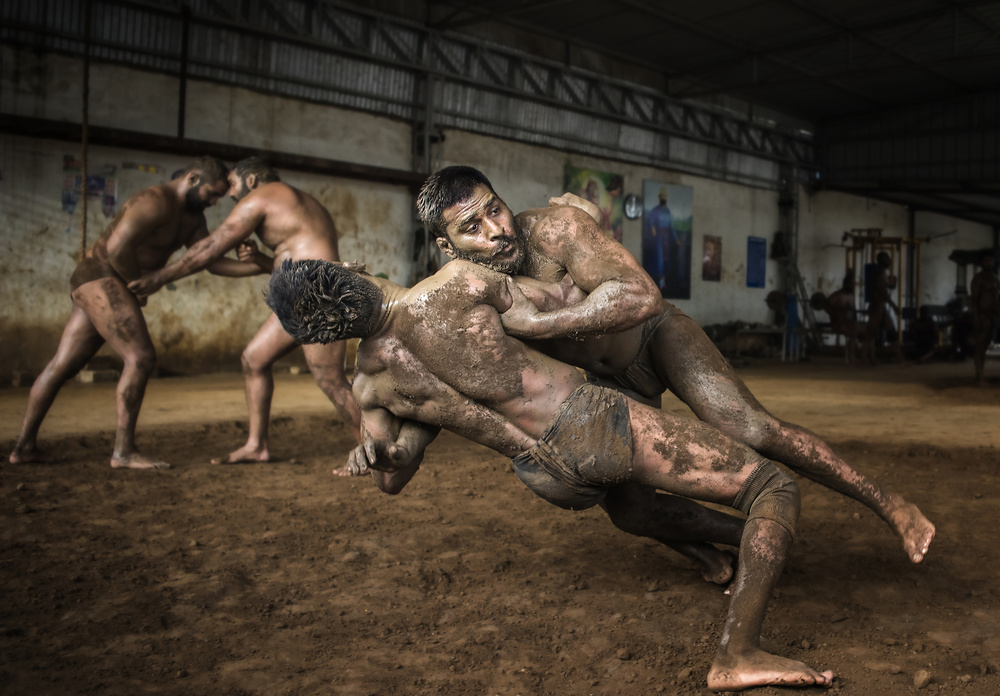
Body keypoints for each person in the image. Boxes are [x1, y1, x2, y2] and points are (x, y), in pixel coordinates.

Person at [267, 258, 835, 692]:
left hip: (542, 476)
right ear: (351, 269)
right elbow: (565, 312)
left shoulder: (370, 385)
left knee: (637, 510)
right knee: (773, 487)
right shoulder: (456, 282)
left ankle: (721, 553)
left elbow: (393, 479)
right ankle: (738, 654)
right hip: (586, 425)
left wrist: (383, 457)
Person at [419, 166, 934, 565]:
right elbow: (439, 376)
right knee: (632, 510)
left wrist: (540, 326)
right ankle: (729, 542)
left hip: (652, 338)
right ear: (447, 247)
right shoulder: (455, 297)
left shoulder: (556, 230)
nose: (496, 229)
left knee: (750, 427)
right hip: (599, 389)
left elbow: (642, 296)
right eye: (472, 227)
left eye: (496, 209)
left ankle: (890, 503)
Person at [8, 157, 260, 469]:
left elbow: (208, 261)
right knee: (141, 358)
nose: (213, 202)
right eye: (211, 194)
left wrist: (259, 266)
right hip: (101, 275)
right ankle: (123, 452)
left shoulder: (193, 219)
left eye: (219, 197)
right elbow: (116, 249)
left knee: (62, 365)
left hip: (108, 284)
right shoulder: (154, 201)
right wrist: (133, 287)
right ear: (193, 178)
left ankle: (23, 448)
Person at [127, 157, 363, 464]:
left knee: (331, 380)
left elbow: (212, 248)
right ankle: (256, 446)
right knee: (254, 359)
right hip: (304, 288)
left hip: (314, 291)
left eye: (234, 185)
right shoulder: (294, 200)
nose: (230, 194)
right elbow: (293, 262)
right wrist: (262, 260)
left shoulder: (264, 196)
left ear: (251, 181)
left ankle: (374, 454)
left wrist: (159, 277)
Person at [862, 251, 904, 365]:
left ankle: (899, 357)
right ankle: (865, 359)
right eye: (887, 258)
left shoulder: (883, 274)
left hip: (881, 307)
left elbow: (884, 289)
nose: (889, 260)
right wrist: (894, 306)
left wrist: (892, 284)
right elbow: (883, 293)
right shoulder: (879, 274)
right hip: (877, 306)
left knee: (891, 331)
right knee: (870, 333)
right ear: (881, 261)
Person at [970, 252, 999, 385]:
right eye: (986, 260)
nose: (989, 263)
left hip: (994, 315)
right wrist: (976, 317)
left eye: (991, 260)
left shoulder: (995, 278)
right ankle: (979, 375)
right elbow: (974, 299)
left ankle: (982, 374)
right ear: (982, 262)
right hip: (983, 314)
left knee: (986, 344)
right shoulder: (978, 278)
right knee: (980, 345)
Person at [825, 274, 862, 365]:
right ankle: (852, 359)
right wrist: (836, 315)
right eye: (851, 284)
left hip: (850, 322)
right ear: (846, 284)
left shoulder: (851, 296)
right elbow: (826, 306)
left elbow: (853, 311)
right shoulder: (837, 295)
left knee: (869, 330)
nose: (853, 286)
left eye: (854, 284)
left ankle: (866, 359)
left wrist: (855, 322)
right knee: (853, 333)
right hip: (838, 324)